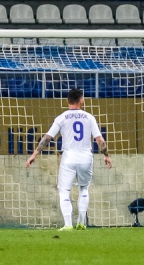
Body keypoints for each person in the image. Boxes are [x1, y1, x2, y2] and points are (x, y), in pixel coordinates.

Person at [25, 87, 111, 231]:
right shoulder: (89, 117)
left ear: (67, 101)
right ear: (81, 100)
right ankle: (81, 223)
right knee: (84, 189)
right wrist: (106, 155)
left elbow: (47, 138)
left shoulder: (62, 117)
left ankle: (68, 224)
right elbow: (99, 140)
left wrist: (34, 154)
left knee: (64, 190)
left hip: (69, 158)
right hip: (86, 158)